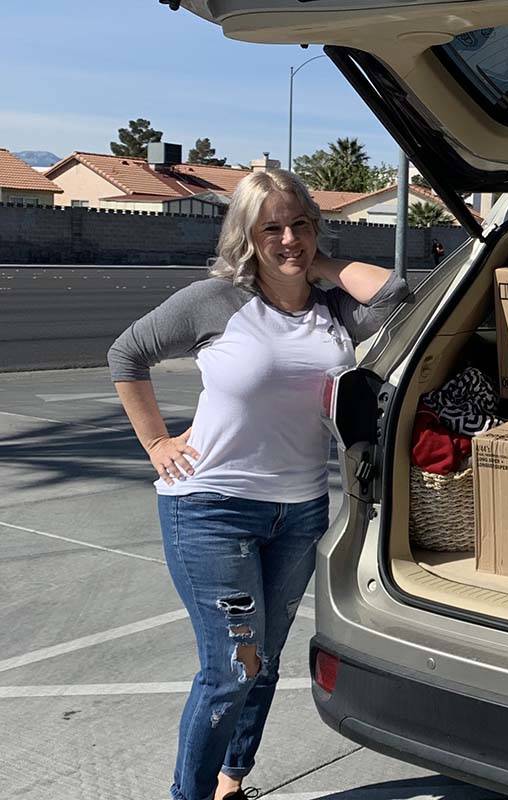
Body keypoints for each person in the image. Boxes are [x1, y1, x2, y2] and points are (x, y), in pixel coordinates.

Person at [108, 169, 409, 800]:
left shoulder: (334, 311)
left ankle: (229, 780)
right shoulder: (213, 301)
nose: (288, 238)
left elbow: (399, 294)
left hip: (298, 513)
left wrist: (320, 262)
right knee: (230, 670)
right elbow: (127, 354)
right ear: (246, 236)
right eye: (270, 227)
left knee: (262, 664)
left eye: (300, 223)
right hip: (213, 509)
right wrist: (158, 443)